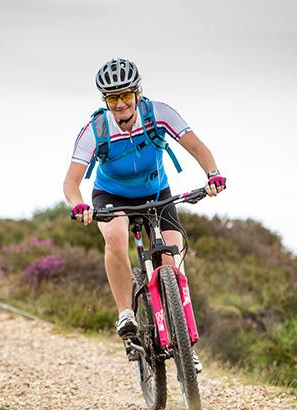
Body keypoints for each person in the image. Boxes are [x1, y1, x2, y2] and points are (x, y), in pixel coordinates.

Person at [63, 58, 226, 373]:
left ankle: (184, 345)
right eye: (112, 98)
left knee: (173, 260)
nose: (120, 103)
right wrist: (78, 205)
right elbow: (71, 182)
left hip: (156, 193)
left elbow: (197, 147)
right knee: (115, 236)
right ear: (105, 101)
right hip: (111, 196)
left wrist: (213, 173)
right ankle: (126, 312)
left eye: (125, 95)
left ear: (137, 92)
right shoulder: (95, 129)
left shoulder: (159, 114)